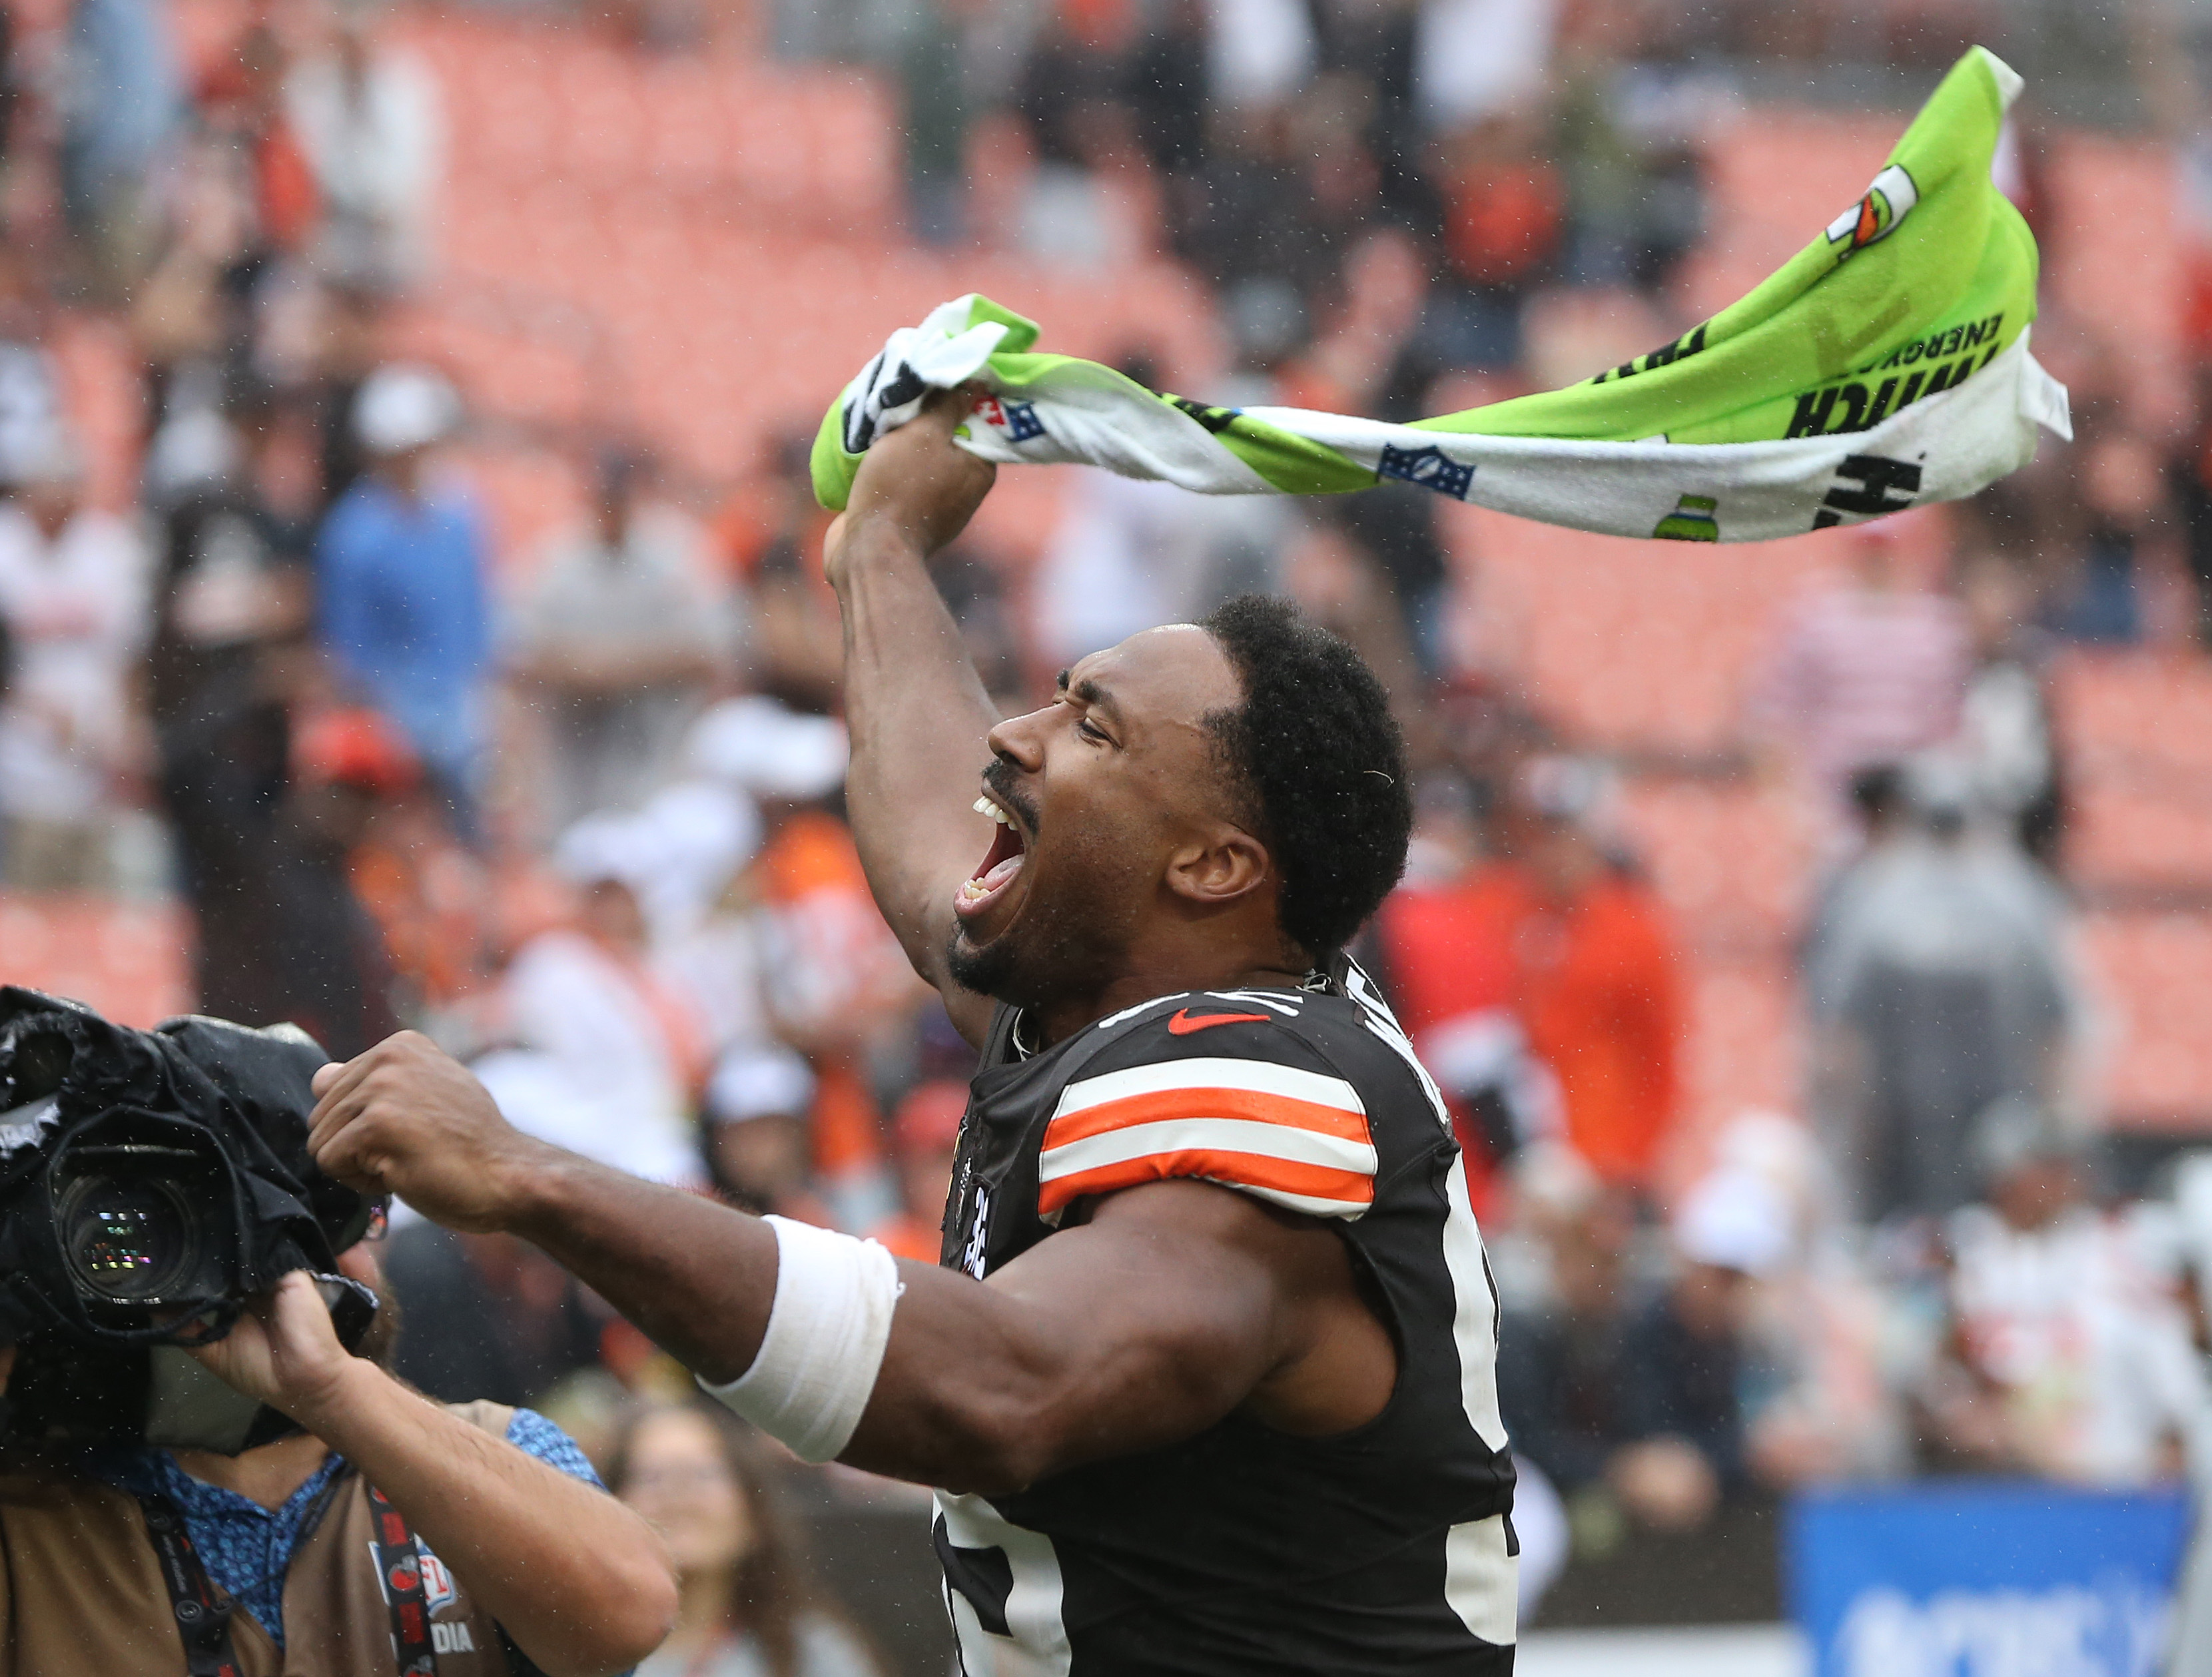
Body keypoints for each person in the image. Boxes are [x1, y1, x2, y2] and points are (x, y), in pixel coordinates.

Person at [300, 391, 1519, 1672]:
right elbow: (940, 846)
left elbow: (1010, 1384)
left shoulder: (1271, 1083)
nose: (1014, 733)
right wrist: (879, 549)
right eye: (1056, 696)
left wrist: (526, 1172)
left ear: (1215, 864)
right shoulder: (1104, 993)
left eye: (1091, 726)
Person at [0, 1205, 676, 1675]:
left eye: (334, 1210)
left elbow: (629, 1618)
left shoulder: (500, 1444)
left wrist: (330, 1388)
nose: (296, 1253)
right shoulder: (27, 1504)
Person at [506, 448, 739, 839]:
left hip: (659, 749)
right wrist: (586, 671)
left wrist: (618, 669)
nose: (611, 507)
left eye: (619, 495)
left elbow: (716, 654)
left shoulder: (679, 551)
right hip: (573, 754)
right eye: (603, 496)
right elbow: (515, 656)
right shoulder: (555, 558)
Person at [315, 364, 491, 835]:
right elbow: (350, 643)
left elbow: (478, 610)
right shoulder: (354, 533)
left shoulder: (461, 511)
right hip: (395, 712)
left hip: (464, 704)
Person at [610, 1401, 881, 1677]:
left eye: (704, 1474)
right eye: (651, 1477)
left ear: (754, 1514)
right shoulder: (580, 1649)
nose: (678, 1495)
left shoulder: (811, 1654)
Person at [0, 435, 151, 890]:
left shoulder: (110, 546)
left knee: (93, 893)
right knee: (28, 892)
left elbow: (131, 653)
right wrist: (32, 710)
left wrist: (127, 729)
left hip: (94, 749)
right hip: (17, 750)